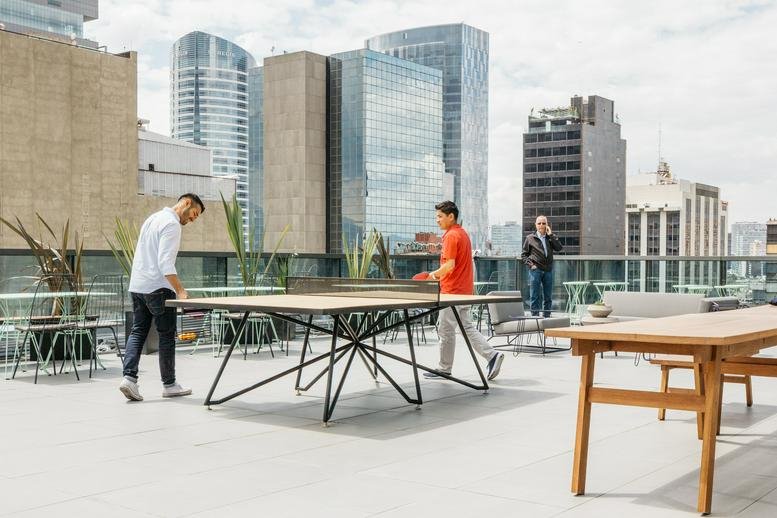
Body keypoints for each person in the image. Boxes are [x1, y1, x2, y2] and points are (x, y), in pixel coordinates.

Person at [119, 193, 204, 401]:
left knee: (138, 332)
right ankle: (170, 384)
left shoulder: (153, 218)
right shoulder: (172, 224)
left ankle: (128, 379)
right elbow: (165, 262)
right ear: (186, 203)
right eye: (194, 214)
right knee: (166, 335)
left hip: (138, 285)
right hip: (158, 288)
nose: (192, 220)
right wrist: (181, 291)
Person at [423, 201, 504, 381]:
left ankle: (444, 368)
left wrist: (431, 275)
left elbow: (449, 266)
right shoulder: (463, 234)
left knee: (445, 330)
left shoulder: (451, 236)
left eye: (440, 216)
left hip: (452, 292)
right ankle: (492, 355)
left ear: (451, 216)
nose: (437, 220)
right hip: (464, 290)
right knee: (466, 327)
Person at [521, 215, 563, 317]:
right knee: (534, 296)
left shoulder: (550, 238)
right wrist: (531, 265)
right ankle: (535, 318)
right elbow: (524, 255)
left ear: (547, 225)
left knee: (548, 297)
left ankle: (546, 317)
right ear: (535, 225)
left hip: (548, 270)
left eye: (543, 223)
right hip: (536, 270)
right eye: (539, 223)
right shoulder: (530, 238)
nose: (541, 225)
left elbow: (559, 248)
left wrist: (551, 235)